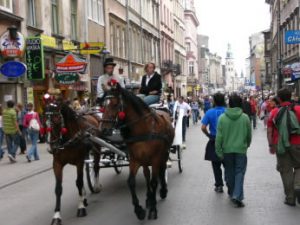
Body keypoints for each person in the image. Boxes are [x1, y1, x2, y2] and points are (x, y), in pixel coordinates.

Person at [215, 94, 252, 208]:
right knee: (239, 172)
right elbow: (249, 135)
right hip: (241, 149)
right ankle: (237, 195)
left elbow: (219, 137)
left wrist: (219, 151)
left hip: (227, 150)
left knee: (229, 171)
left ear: (229, 104)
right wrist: (247, 145)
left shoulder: (222, 118)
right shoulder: (245, 117)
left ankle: (232, 192)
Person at [267, 88, 300, 207]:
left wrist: (271, 145)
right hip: (298, 143)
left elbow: (269, 130)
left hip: (280, 144)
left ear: (279, 99)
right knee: (299, 166)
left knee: (285, 171)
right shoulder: (299, 109)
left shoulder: (274, 112)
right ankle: (298, 185)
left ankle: (290, 198)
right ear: (290, 96)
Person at [201, 93, 226, 193]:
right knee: (227, 164)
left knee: (216, 165)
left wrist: (209, 135)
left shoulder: (209, 112)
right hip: (226, 140)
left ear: (214, 101)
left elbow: (203, 127)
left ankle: (219, 185)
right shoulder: (227, 111)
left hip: (214, 140)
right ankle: (229, 182)